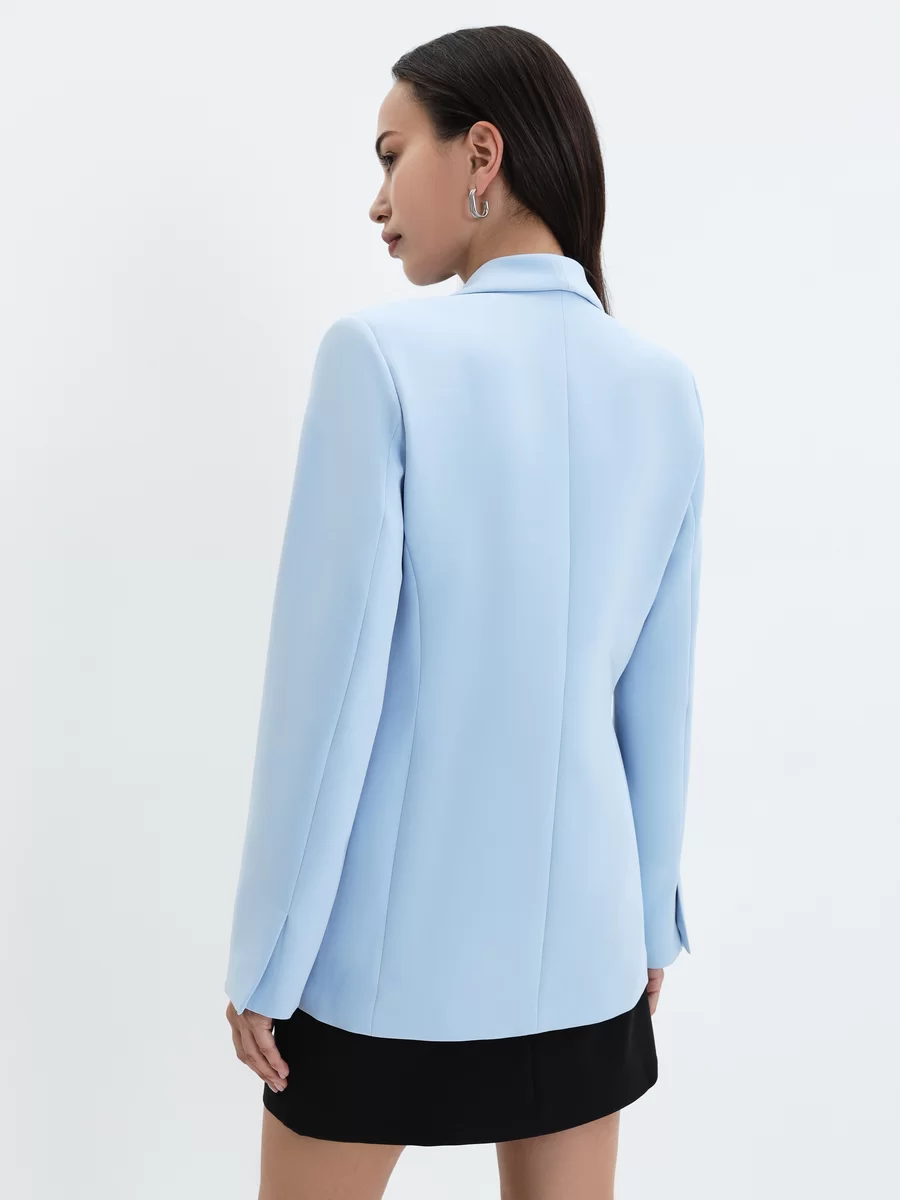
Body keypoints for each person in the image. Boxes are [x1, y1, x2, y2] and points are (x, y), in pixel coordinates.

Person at [224, 23, 705, 1200]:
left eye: (393, 156)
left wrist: (267, 958)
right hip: (588, 967)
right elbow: (659, 702)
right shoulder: (664, 390)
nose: (378, 200)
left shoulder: (378, 358)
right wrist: (648, 929)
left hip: (384, 980)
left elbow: (326, 700)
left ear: (481, 153)